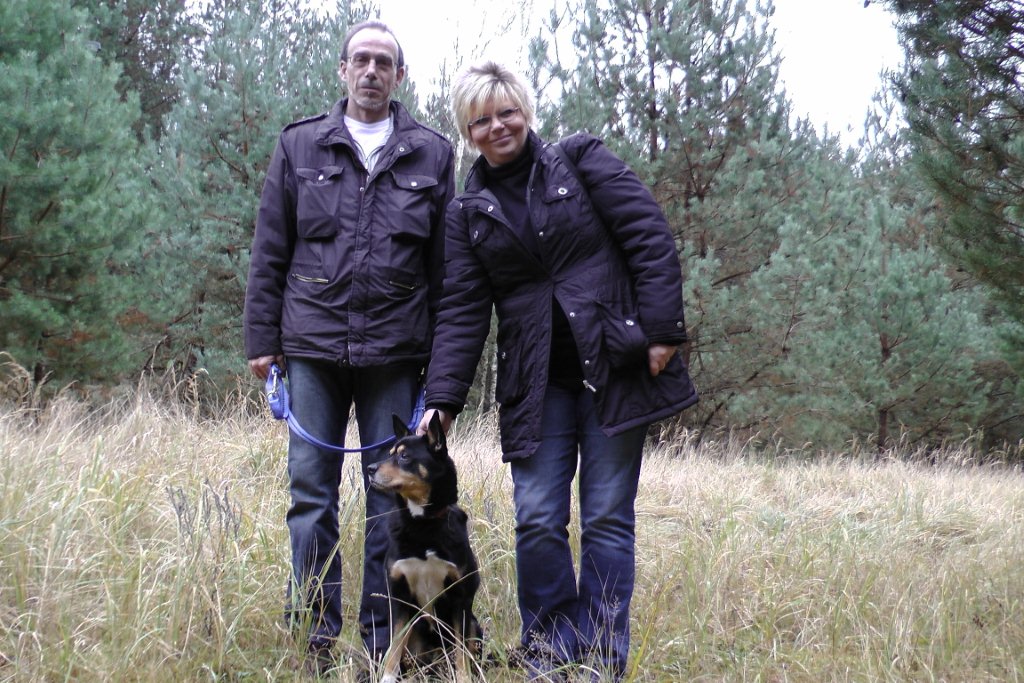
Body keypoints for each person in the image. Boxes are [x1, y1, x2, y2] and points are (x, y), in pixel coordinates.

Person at [417, 61, 698, 680]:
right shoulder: (467, 213)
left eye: (507, 112)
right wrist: (443, 399)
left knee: (606, 518)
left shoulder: (580, 160)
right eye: (481, 120)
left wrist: (662, 331)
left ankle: (601, 657)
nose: (498, 127)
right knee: (538, 518)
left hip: (615, 368)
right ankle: (549, 652)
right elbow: (463, 310)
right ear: (467, 132)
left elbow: (649, 235)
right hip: (535, 384)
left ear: (526, 112)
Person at [243, 20, 454, 675]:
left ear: (399, 76)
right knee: (311, 496)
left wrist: (444, 376)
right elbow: (270, 248)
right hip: (311, 349)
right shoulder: (299, 144)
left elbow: (448, 274)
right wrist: (262, 340)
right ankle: (312, 641)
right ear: (342, 69)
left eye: (383, 62)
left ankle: (379, 645)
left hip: (396, 354)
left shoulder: (433, 154)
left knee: (391, 501)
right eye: (360, 59)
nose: (370, 71)